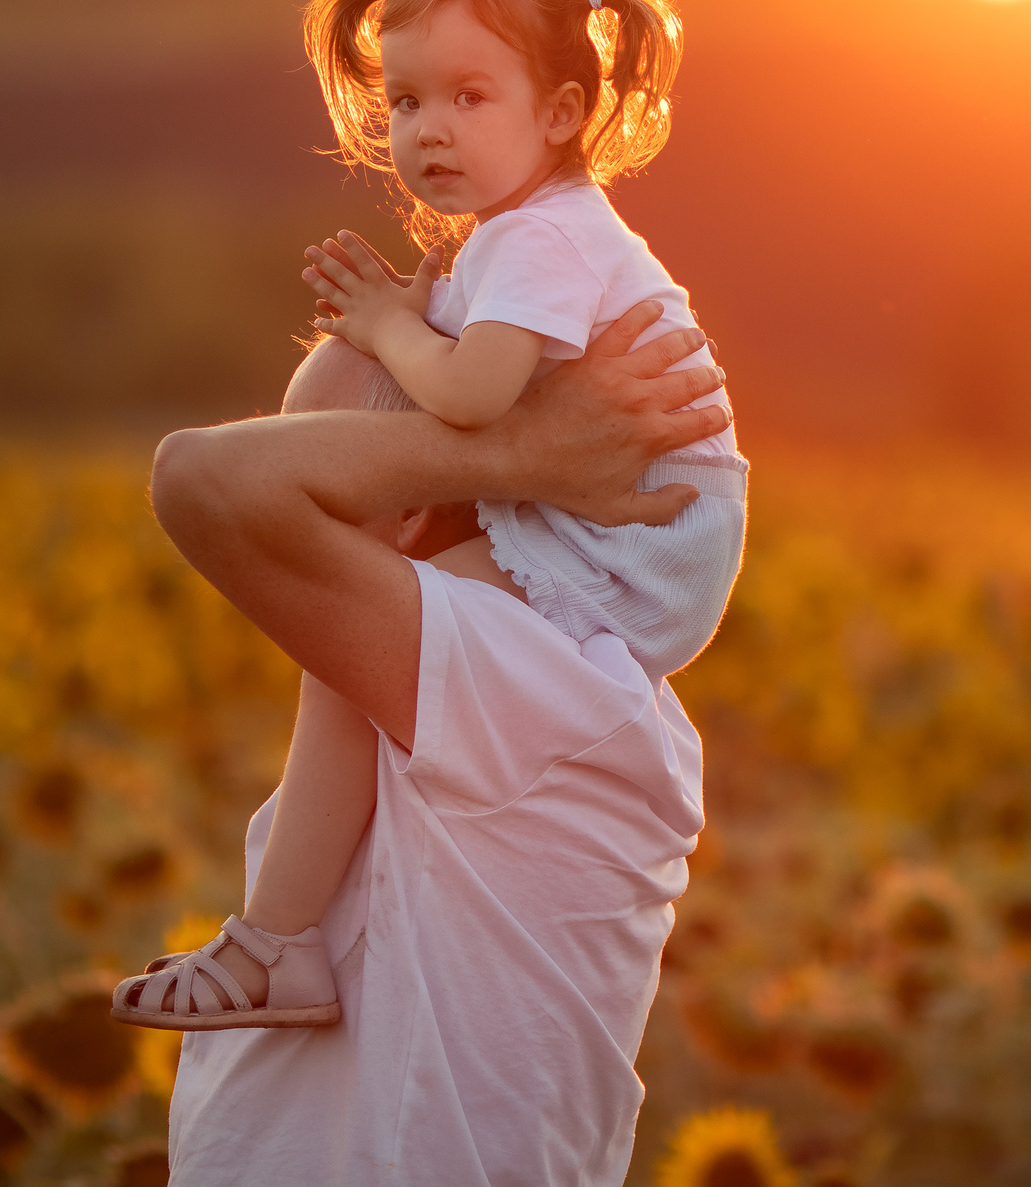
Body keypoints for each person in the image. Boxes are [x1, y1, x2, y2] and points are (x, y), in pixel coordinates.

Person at [114, 0, 747, 1034]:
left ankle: (275, 944)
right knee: (349, 645)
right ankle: (281, 941)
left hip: (624, 555)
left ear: (557, 115)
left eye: (467, 95)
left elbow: (470, 398)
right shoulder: (519, 234)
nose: (430, 130)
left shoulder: (541, 240)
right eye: (406, 102)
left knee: (346, 660)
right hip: (612, 537)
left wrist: (386, 329)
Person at [152, 306, 730, 1182]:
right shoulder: (458, 680)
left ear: (411, 501)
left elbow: (204, 481)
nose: (297, 481)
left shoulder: (530, 672)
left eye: (319, 455)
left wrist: (519, 452)